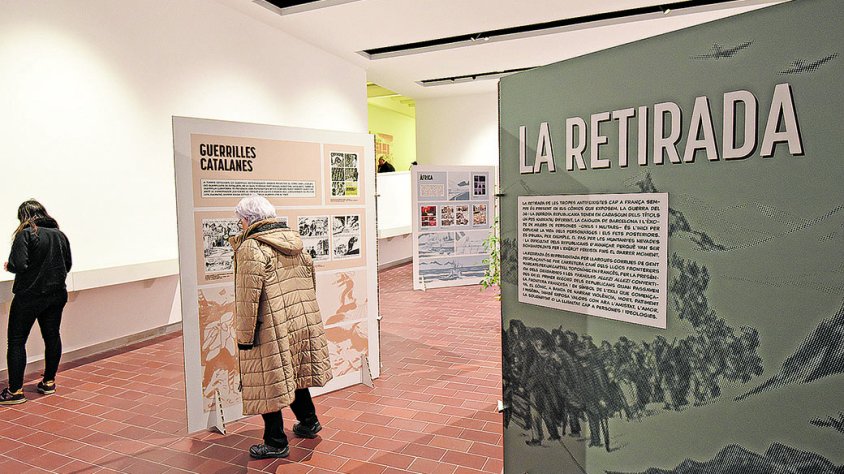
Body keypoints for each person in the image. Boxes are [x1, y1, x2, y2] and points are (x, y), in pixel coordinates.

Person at [230, 194, 333, 459]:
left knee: (268, 380)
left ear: (247, 219)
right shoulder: (293, 240)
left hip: (269, 324)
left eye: (240, 220)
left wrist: (244, 337)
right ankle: (309, 422)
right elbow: (309, 281)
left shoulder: (252, 248)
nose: (240, 225)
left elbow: (247, 298)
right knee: (293, 372)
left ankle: (275, 442)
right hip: (297, 318)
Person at [1, 200, 72, 405]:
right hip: (56, 294)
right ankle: (49, 382)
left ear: (24, 216)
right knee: (52, 336)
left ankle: (15, 391)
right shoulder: (59, 235)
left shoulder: (26, 234)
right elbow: (67, 264)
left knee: (16, 341)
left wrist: (9, 266)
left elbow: (19, 264)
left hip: (29, 296)